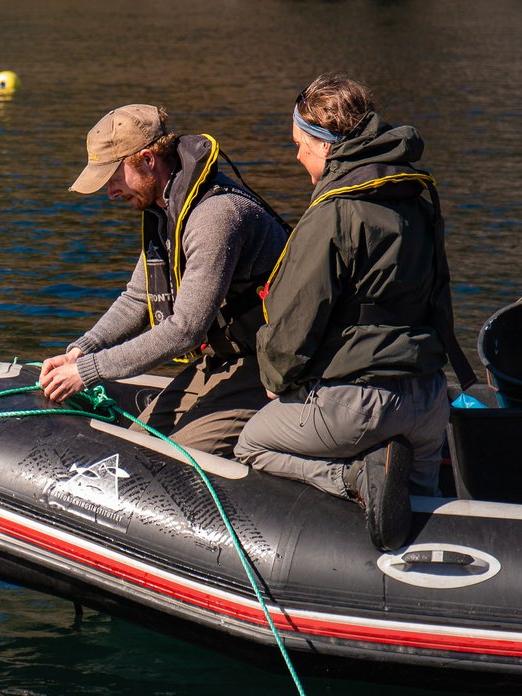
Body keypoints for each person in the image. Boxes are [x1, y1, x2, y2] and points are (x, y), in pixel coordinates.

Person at [234, 74, 475, 551]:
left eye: (300, 144)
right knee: (421, 525)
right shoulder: (415, 199)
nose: (296, 155)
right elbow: (439, 302)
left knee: (251, 444)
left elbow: (296, 319)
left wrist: (276, 376)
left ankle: (354, 481)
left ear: (324, 146)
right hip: (428, 401)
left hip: (358, 407)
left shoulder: (334, 211)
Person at [39, 104, 289, 457]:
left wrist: (89, 371)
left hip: (270, 365)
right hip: (225, 357)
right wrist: (82, 349)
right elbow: (137, 298)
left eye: (113, 177)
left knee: (169, 461)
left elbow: (186, 330)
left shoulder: (214, 216)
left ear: (146, 159)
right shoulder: (164, 209)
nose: (110, 192)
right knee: (135, 442)